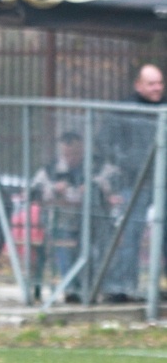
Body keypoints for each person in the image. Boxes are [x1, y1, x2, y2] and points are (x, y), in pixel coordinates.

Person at [98, 63, 163, 303]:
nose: (157, 88)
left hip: (163, 184)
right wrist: (128, 162)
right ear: (138, 85)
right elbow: (105, 141)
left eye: (159, 83)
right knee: (130, 235)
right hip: (133, 184)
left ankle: (158, 288)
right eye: (151, 83)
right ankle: (121, 287)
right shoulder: (124, 110)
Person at [29, 132, 113, 303]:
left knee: (97, 246)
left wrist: (93, 188)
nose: (71, 158)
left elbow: (113, 183)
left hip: (94, 224)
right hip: (63, 223)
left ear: (83, 149)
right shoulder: (51, 169)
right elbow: (33, 191)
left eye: (75, 153)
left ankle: (94, 287)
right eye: (66, 154)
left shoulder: (98, 166)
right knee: (64, 242)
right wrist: (54, 189)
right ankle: (72, 289)